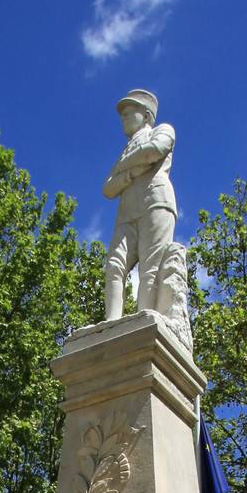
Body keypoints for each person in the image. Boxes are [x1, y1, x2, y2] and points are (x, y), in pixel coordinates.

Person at [102, 88, 177, 322]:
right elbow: (108, 188)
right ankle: (111, 324)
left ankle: (144, 323)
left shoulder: (163, 130)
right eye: (122, 114)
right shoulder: (125, 151)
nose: (123, 118)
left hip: (156, 202)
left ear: (146, 115)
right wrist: (134, 170)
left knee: (150, 268)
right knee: (114, 266)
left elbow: (153, 152)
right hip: (127, 213)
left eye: (128, 113)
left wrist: (124, 168)